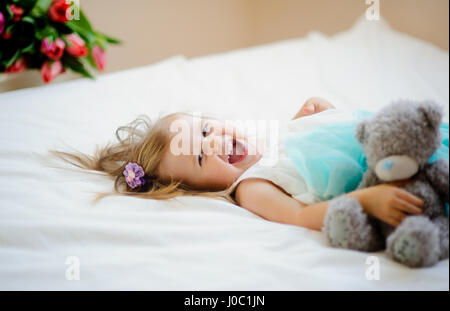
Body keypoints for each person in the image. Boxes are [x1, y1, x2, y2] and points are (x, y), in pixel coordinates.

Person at [51, 97, 423, 231]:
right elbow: (300, 216)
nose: (214, 141)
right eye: (199, 155)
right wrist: (367, 201)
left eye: (208, 129)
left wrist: (311, 113)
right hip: (385, 176)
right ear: (202, 187)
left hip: (398, 139)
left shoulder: (264, 143)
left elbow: (294, 148)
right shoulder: (251, 188)